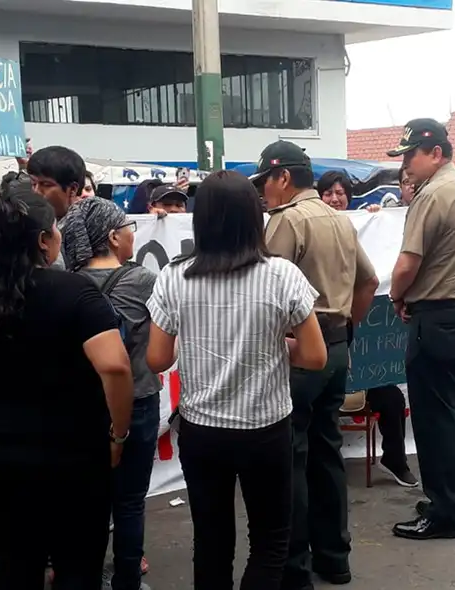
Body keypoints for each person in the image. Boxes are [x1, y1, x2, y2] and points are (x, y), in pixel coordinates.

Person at [0, 184, 134, 589]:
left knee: (15, 560)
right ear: (44, 240)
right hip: (73, 451)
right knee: (78, 562)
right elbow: (115, 366)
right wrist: (118, 433)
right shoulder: (74, 291)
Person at [146, 170, 328, 590]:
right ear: (254, 216)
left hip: (202, 430)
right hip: (265, 429)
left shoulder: (175, 276)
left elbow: (157, 357)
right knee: (270, 540)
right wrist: (277, 345)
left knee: (211, 540)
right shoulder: (281, 275)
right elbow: (316, 356)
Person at [254, 140, 378, 588]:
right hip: (337, 344)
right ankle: (334, 557)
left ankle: (294, 567)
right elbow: (370, 281)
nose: (264, 193)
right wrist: (347, 327)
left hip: (298, 349)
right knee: (327, 452)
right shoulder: (339, 219)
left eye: (265, 182)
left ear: (282, 177)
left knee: (290, 457)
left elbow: (266, 289)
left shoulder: (287, 221)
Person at [385, 118, 455, 541]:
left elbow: (408, 263)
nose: (405, 164)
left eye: (411, 154)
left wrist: (395, 296)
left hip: (438, 314)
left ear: (436, 153)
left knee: (434, 420)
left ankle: (444, 512)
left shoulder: (433, 194)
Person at [61, 197, 159, 590]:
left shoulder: (66, 281)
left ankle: (83, 576)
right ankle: (127, 579)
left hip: (82, 405)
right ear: (115, 237)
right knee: (131, 502)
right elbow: (160, 354)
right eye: (129, 230)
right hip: (137, 399)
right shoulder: (144, 281)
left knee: (86, 502)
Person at [27, 145, 88, 269]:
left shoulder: (92, 226)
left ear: (73, 189)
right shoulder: (28, 222)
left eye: (46, 185)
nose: (36, 191)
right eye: (33, 184)